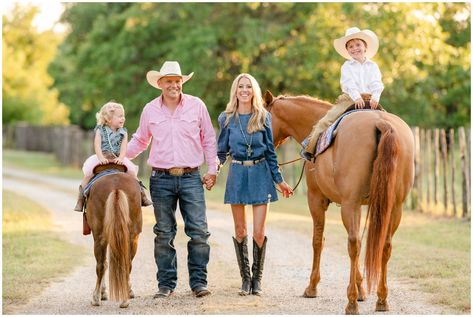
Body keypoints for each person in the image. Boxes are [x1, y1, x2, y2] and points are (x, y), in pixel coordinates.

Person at [126, 61, 217, 298]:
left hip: (191, 177)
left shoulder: (197, 106)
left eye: (177, 81)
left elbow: (208, 138)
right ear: (160, 84)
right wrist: (118, 157)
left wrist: (213, 169)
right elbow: (140, 140)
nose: (174, 85)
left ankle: (199, 283)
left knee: (198, 231)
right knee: (164, 233)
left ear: (181, 83)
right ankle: (166, 285)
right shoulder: (150, 110)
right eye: (169, 81)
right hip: (161, 179)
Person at [215, 73, 293, 296]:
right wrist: (214, 170)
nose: (245, 90)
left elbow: (270, 152)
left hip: (260, 174)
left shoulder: (264, 117)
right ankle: (245, 280)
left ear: (254, 90)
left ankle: (257, 280)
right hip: (237, 174)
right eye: (241, 86)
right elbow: (222, 152)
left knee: (259, 232)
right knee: (240, 230)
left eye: (249, 86)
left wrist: (279, 180)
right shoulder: (226, 118)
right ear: (235, 90)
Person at [301, 27, 384, 161]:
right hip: (350, 99)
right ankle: (310, 148)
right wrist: (356, 97)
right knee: (326, 121)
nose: (354, 48)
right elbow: (348, 83)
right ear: (347, 51)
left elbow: (377, 83)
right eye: (350, 46)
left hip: (370, 99)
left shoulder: (373, 66)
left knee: (386, 120)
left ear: (365, 47)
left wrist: (375, 97)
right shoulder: (347, 66)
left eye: (358, 45)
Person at [74, 101, 152, 212]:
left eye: (123, 116)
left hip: (117, 157)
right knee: (88, 173)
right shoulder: (100, 130)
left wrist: (120, 158)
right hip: (102, 156)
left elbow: (124, 147)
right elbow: (97, 145)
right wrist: (101, 158)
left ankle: (142, 195)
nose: (123, 118)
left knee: (132, 172)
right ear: (109, 119)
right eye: (120, 116)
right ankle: (80, 199)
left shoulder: (123, 132)